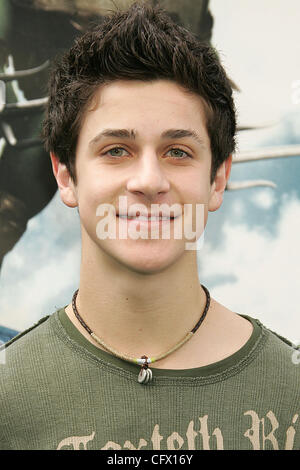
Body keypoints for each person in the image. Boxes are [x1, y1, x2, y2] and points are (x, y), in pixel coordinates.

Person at [0, 1, 299, 451]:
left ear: (218, 178)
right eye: (116, 150)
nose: (149, 182)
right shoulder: (8, 399)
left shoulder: (290, 391)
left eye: (178, 151)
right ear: (65, 175)